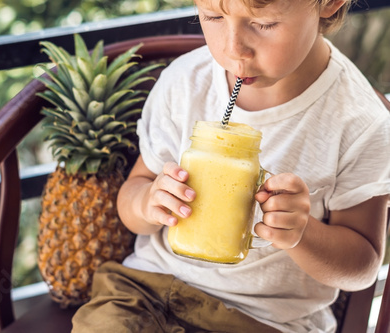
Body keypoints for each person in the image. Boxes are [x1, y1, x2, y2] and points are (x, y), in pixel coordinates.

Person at [72, 0, 390, 331]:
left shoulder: (361, 123)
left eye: (264, 24)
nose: (234, 49)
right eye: (212, 17)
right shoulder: (184, 83)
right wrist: (147, 202)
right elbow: (132, 200)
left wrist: (303, 233)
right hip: (145, 290)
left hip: (261, 320)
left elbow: (362, 268)